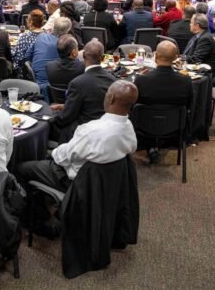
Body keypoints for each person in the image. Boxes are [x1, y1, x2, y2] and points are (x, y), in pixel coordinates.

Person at [16, 81, 138, 235]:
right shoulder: (128, 127)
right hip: (105, 183)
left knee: (21, 168)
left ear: (111, 98)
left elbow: (62, 158)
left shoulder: (90, 130)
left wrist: (52, 152)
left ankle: (40, 222)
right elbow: (131, 149)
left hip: (77, 182)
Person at [47, 40, 116, 143]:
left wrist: (49, 118)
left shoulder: (77, 83)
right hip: (107, 132)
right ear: (103, 58)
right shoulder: (113, 80)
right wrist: (64, 106)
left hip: (83, 133)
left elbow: (66, 117)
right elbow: (92, 105)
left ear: (83, 55)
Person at [134, 40, 192, 107]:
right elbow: (189, 105)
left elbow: (133, 103)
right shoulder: (186, 81)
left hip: (144, 117)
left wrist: (138, 77)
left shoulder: (141, 80)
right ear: (175, 58)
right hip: (175, 117)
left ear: (155, 56)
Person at [25, 17, 72, 93]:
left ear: (53, 27)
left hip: (35, 82)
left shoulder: (40, 36)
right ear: (66, 32)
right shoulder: (63, 46)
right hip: (54, 87)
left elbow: (27, 56)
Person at [12, 9, 45, 75]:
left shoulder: (25, 37)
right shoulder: (47, 36)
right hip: (43, 69)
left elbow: (18, 59)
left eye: (27, 19)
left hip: (27, 73)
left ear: (31, 22)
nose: (26, 21)